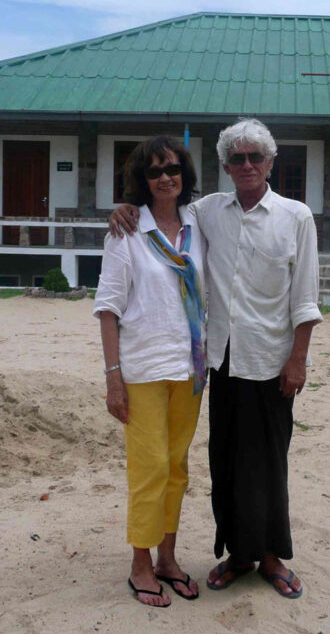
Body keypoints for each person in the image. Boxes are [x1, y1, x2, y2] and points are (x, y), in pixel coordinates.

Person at [110, 118, 322, 599]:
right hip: (218, 363)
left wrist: (299, 360)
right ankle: (237, 554)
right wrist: (123, 208)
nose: (246, 165)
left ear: (270, 162)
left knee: (269, 462)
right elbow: (159, 208)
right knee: (224, 462)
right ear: (225, 166)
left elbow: (306, 300)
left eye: (255, 157)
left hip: (272, 361)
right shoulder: (206, 212)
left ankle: (269, 556)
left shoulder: (296, 217)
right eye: (237, 158)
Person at [94, 136, 207, 608]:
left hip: (190, 368)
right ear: (142, 180)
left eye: (174, 168)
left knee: (177, 469)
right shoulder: (125, 232)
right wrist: (113, 377)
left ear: (185, 175)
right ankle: (140, 563)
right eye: (155, 171)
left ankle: (168, 557)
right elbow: (107, 309)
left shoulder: (197, 227)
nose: (166, 178)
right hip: (141, 369)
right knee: (150, 468)